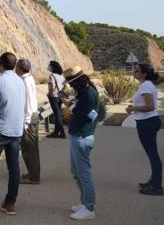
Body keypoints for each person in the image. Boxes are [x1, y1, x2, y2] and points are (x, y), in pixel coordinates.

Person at [0, 52, 26, 218]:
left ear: (0, 64)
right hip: (16, 131)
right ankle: (10, 204)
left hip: (0, 130)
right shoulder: (20, 81)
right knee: (13, 167)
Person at [59, 66, 99, 220]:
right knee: (77, 173)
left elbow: (88, 116)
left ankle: (89, 208)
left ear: (77, 82)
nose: (71, 87)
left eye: (71, 83)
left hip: (82, 138)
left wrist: (69, 103)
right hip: (78, 136)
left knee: (84, 174)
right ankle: (85, 203)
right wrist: (69, 102)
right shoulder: (85, 92)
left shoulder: (89, 94)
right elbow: (82, 109)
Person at [126, 63, 164, 195]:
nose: (134, 72)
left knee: (153, 155)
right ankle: (153, 182)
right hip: (148, 121)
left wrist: (132, 108)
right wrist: (134, 107)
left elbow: (150, 106)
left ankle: (157, 186)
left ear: (144, 74)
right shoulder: (146, 85)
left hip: (147, 123)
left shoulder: (145, 86)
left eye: (137, 70)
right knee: (152, 154)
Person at [16, 58, 40, 184]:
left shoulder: (25, 82)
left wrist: (25, 123)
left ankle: (34, 177)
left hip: (29, 118)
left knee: (29, 148)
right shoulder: (27, 78)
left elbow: (28, 104)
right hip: (32, 116)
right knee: (31, 148)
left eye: (16, 67)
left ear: (19, 68)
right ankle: (32, 173)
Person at [47, 60, 66, 138]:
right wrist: (61, 92)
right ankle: (56, 132)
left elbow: (53, 86)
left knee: (57, 115)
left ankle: (62, 133)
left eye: (50, 65)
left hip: (54, 96)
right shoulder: (61, 76)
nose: (49, 67)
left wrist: (49, 93)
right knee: (58, 114)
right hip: (60, 96)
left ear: (53, 67)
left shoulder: (52, 75)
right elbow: (65, 85)